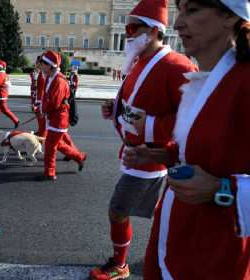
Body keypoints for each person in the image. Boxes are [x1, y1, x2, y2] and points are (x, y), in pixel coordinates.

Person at [120, 0, 250, 278]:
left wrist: (223, 188)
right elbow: (204, 151)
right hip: (177, 238)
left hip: (215, 254)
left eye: (192, 10)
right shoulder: (207, 78)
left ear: (229, 17)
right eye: (180, 10)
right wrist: (162, 154)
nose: (177, 24)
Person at [89, 0, 197, 279]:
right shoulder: (141, 61)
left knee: (117, 209)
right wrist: (113, 109)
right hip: (134, 153)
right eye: (127, 27)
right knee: (142, 214)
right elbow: (133, 101)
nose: (128, 34)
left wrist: (148, 126)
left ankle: (121, 264)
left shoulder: (177, 66)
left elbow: (194, 119)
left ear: (152, 31)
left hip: (151, 160)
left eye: (133, 28)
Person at [37, 50, 87, 181]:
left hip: (58, 118)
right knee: (56, 144)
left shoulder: (59, 81)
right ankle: (79, 157)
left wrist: (43, 111)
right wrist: (42, 109)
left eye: (42, 63)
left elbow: (53, 102)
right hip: (54, 117)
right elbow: (47, 98)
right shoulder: (49, 76)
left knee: (50, 147)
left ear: (49, 65)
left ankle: (50, 172)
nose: (40, 65)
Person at [30, 56, 46, 137]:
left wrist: (38, 103)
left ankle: (41, 136)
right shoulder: (40, 73)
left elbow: (41, 89)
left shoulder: (43, 74)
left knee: (41, 120)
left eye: (38, 63)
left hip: (41, 99)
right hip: (38, 98)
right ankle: (41, 132)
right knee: (40, 120)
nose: (36, 65)